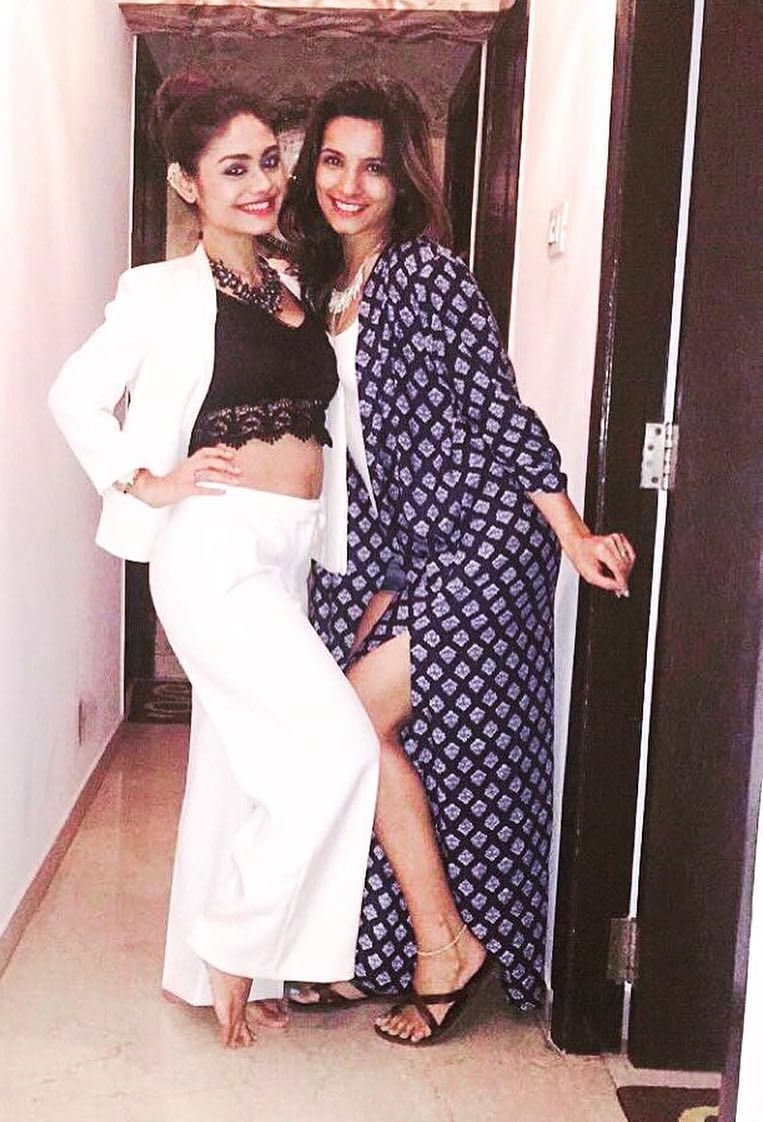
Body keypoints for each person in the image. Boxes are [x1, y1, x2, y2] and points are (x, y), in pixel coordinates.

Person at [280, 79, 636, 1046]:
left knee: (354, 721)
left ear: (403, 181)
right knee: (395, 742)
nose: (350, 185)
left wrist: (570, 531)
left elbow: (497, 407)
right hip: (418, 549)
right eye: (334, 161)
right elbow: (364, 456)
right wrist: (375, 581)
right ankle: (397, 950)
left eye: (374, 168)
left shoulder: (426, 274)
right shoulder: (327, 290)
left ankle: (446, 949)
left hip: (484, 538)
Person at [47, 75, 380, 1049]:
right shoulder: (159, 293)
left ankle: (222, 972)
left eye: (268, 162)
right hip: (212, 550)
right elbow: (74, 395)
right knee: (340, 748)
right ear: (186, 184)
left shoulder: (294, 284)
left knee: (240, 766)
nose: (260, 183)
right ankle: (236, 943)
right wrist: (145, 480)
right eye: (233, 168)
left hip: (287, 555)